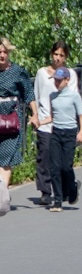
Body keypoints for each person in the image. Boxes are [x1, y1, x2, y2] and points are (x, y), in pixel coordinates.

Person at [33, 42, 80, 205]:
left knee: (62, 162)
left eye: (61, 55)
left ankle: (66, 189)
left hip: (62, 122)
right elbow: (37, 96)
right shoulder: (41, 73)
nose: (58, 58)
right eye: (56, 54)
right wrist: (36, 116)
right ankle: (45, 191)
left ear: (65, 57)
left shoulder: (70, 74)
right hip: (45, 121)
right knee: (44, 155)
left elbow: (72, 97)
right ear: (51, 54)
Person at [0, 38, 37, 217]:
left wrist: (35, 114)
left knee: (6, 157)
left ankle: (2, 196)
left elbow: (29, 93)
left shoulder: (17, 72)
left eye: (4, 52)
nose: (2, 55)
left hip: (11, 120)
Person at [45, 67, 82, 211]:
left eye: (59, 80)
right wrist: (39, 122)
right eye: (55, 80)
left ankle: (72, 186)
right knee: (55, 168)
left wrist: (81, 132)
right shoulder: (52, 96)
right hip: (56, 132)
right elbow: (52, 116)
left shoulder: (74, 96)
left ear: (67, 80)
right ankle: (57, 201)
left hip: (69, 133)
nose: (56, 82)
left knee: (66, 167)